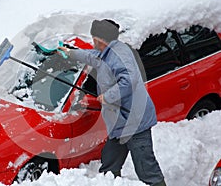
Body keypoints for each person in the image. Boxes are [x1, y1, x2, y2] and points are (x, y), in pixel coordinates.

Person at [58, 19, 167, 186]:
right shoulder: (107, 51)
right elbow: (92, 56)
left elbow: (129, 80)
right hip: (119, 122)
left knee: (146, 169)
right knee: (109, 164)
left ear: (102, 40)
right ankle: (109, 182)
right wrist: (71, 53)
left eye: (94, 38)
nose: (92, 41)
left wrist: (108, 96)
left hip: (135, 123)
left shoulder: (119, 56)